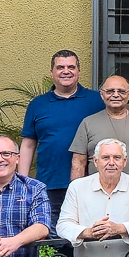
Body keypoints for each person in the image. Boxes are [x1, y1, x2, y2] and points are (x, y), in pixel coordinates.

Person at [17, 51, 105, 193]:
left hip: (91, 185)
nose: (66, 71)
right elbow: (28, 145)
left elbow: (118, 114)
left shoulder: (97, 101)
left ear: (78, 72)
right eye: (60, 67)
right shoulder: (37, 104)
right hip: (48, 184)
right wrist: (22, 181)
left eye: (71, 67)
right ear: (51, 72)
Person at [66, 74, 129, 180]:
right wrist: (76, 192)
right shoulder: (88, 123)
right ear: (102, 95)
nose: (116, 95)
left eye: (121, 91)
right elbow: (78, 163)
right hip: (97, 192)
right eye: (110, 91)